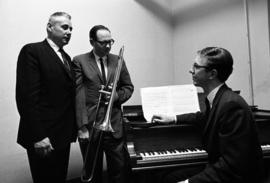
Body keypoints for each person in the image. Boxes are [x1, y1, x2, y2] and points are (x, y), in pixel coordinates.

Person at [152, 47, 264, 183]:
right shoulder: (218, 98)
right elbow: (204, 117)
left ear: (212, 74)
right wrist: (174, 118)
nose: (191, 70)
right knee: (166, 176)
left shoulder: (232, 106)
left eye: (196, 66)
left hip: (236, 177)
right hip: (218, 167)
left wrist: (189, 182)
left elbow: (232, 165)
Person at [16, 12, 77, 183]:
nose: (69, 32)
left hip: (63, 136)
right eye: (64, 27)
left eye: (71, 29)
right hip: (43, 138)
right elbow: (26, 98)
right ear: (49, 27)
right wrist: (39, 136)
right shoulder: (32, 51)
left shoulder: (66, 57)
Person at [73, 25, 134, 183]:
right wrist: (82, 127)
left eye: (110, 41)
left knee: (119, 172)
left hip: (113, 125)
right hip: (91, 126)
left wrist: (117, 96)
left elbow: (128, 87)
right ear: (92, 42)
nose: (108, 45)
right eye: (103, 42)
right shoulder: (80, 61)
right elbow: (78, 94)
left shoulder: (118, 60)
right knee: (93, 173)